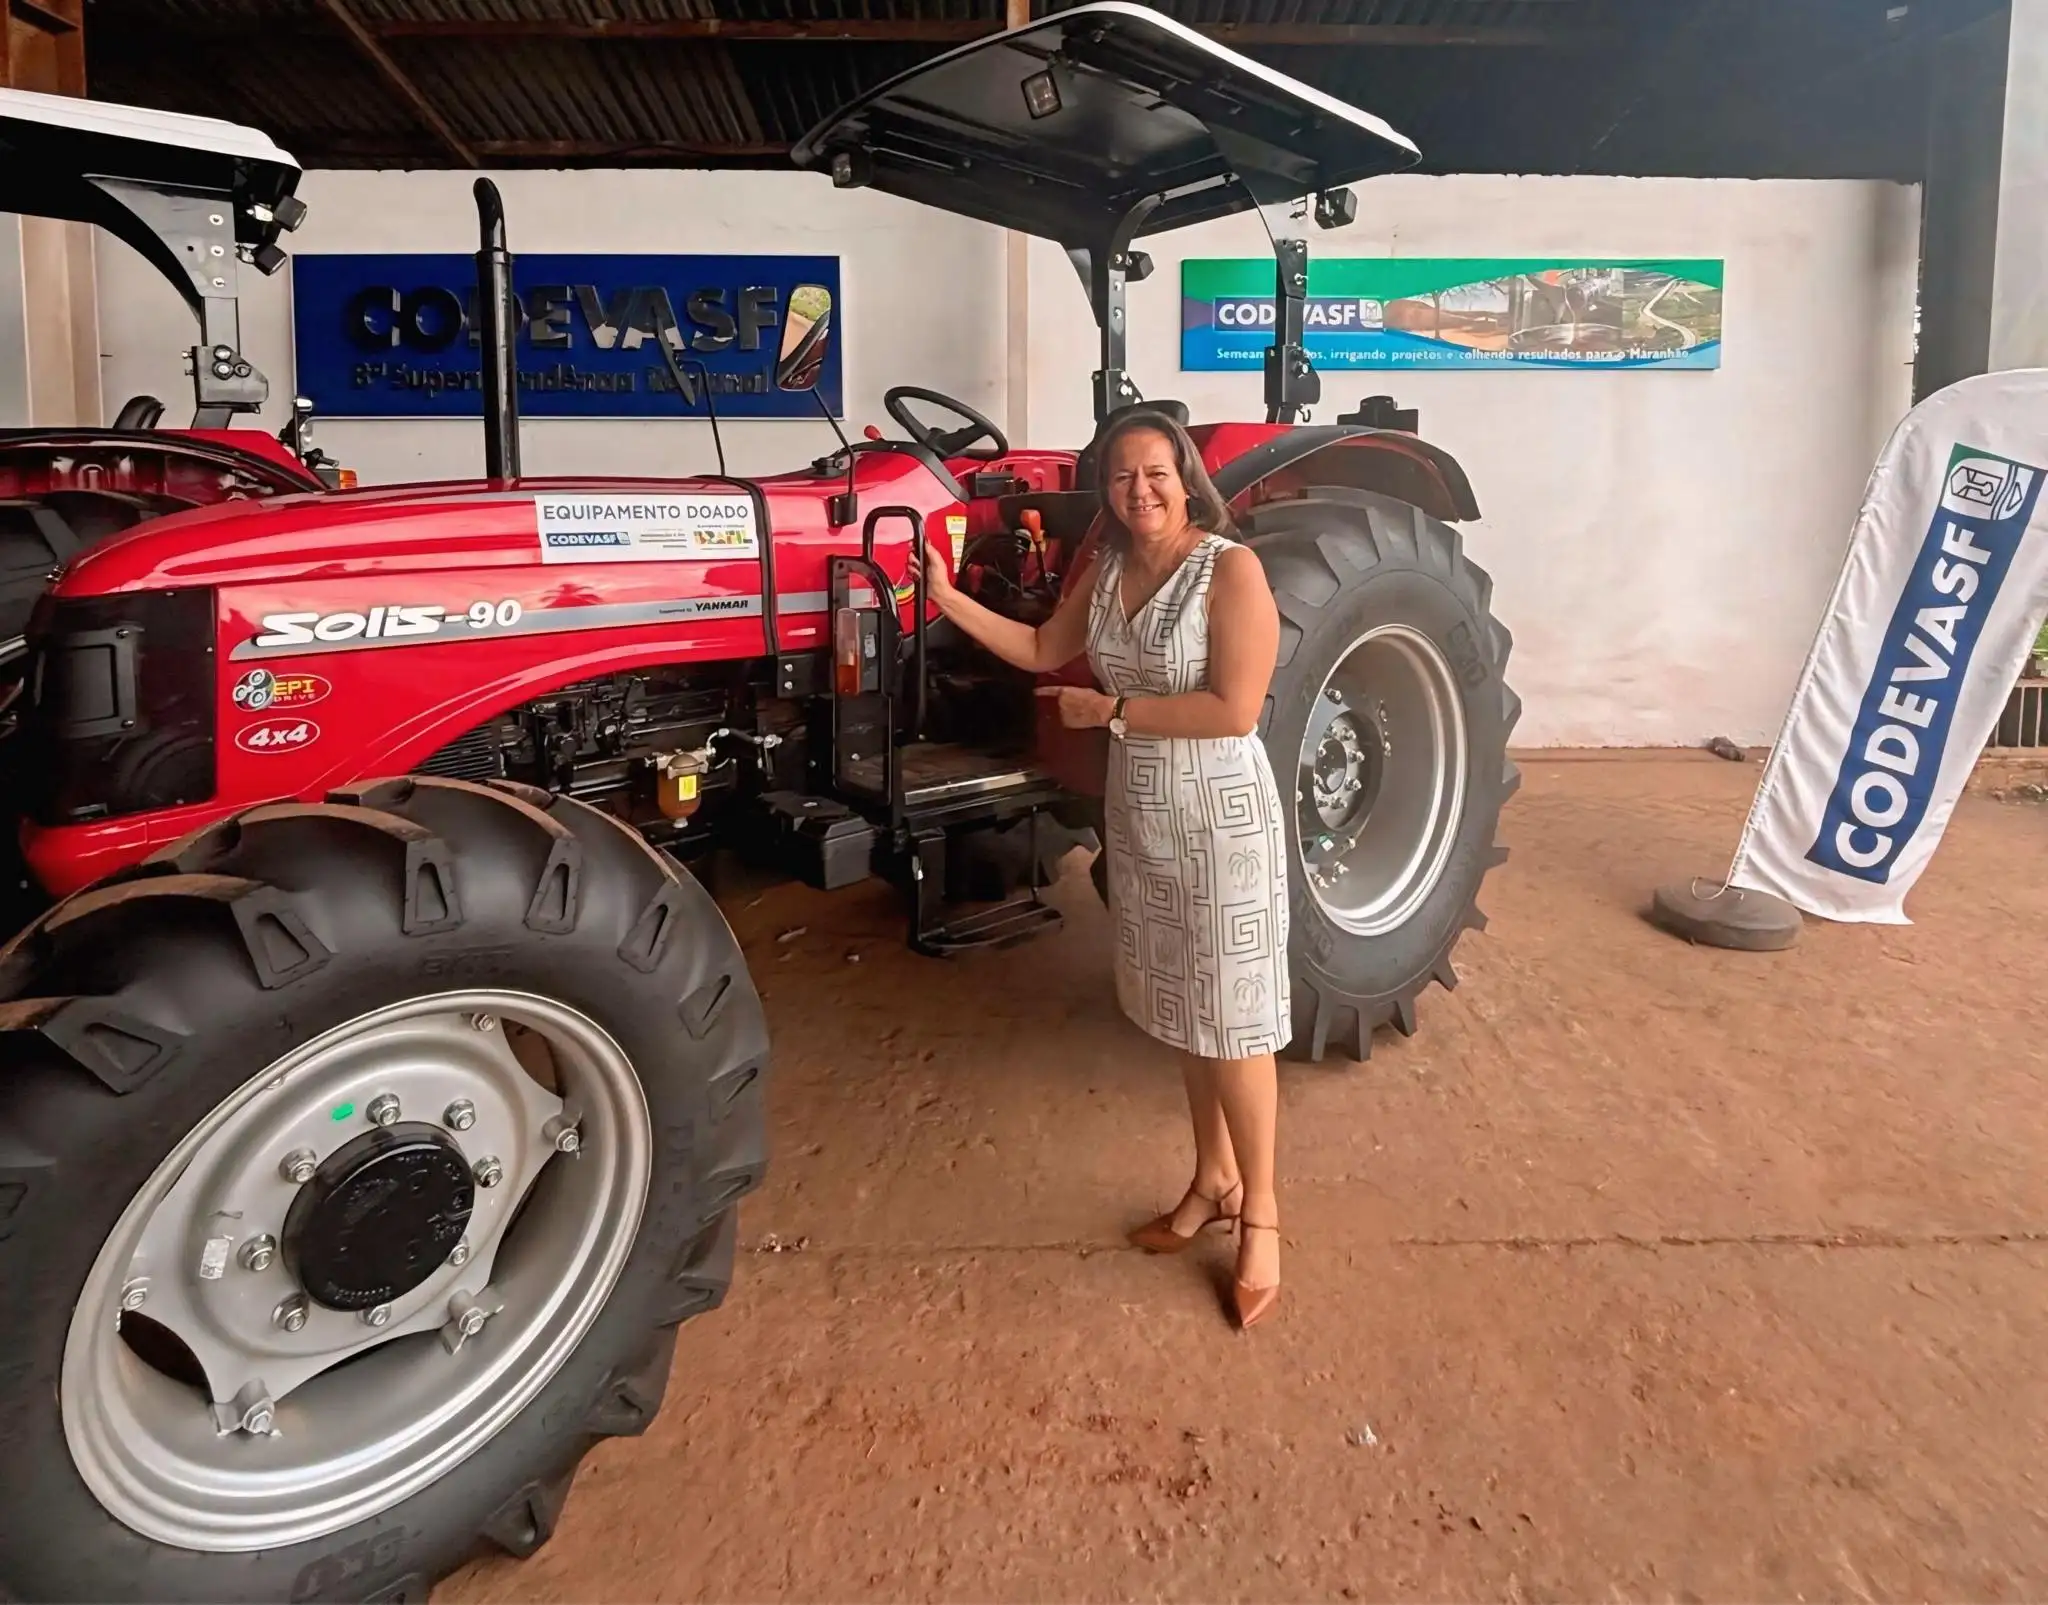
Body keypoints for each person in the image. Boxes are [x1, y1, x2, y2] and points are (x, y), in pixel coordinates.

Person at [924, 410, 1291, 1329]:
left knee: (1234, 1021)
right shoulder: (1111, 568)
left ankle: (1266, 1217)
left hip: (1220, 817)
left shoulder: (1230, 570)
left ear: (1185, 477)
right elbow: (1046, 649)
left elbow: (1235, 710)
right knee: (1183, 1006)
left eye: (1157, 472)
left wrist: (1111, 712)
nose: (1141, 491)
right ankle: (1210, 1179)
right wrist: (947, 601)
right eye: (1123, 478)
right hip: (1147, 820)